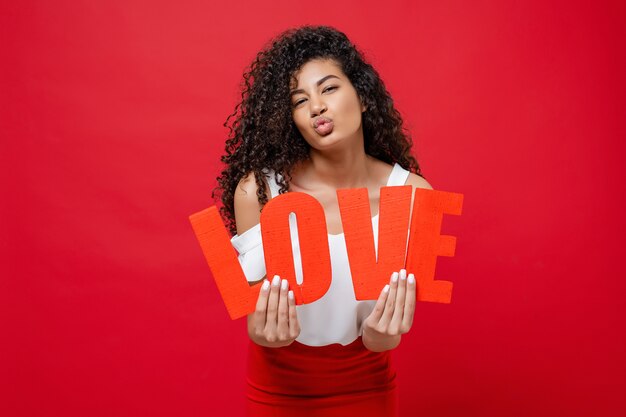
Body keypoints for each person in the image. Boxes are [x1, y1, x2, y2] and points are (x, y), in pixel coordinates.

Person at [213, 25, 433, 417]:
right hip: (276, 389)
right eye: (300, 101)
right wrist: (262, 331)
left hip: (368, 387)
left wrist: (383, 337)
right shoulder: (257, 193)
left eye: (329, 89)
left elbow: (386, 337)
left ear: (363, 98)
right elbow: (255, 318)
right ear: (291, 119)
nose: (316, 106)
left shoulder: (415, 196)